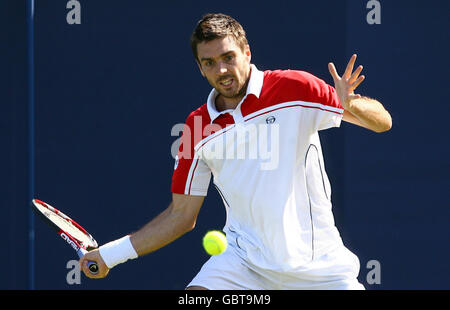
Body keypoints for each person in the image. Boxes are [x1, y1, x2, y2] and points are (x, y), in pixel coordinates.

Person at [80, 13, 392, 290]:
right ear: (200, 69)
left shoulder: (295, 89)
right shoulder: (197, 127)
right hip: (243, 266)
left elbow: (382, 123)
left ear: (247, 52)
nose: (222, 70)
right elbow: (181, 216)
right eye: (210, 63)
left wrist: (351, 104)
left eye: (229, 57)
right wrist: (109, 255)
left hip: (322, 269)